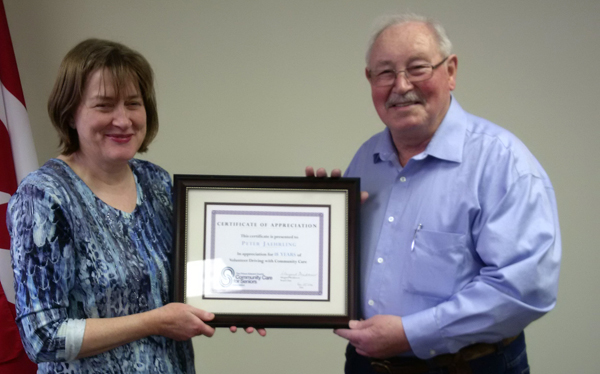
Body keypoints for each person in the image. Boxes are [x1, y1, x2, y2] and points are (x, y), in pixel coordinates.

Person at [308, 13, 561, 374]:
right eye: (384, 73)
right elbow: (341, 267)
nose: (400, 85)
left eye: (417, 68)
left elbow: (525, 289)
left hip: (468, 366)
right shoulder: (365, 161)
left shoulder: (502, 162)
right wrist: (316, 221)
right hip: (368, 364)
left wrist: (412, 334)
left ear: (451, 71)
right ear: (370, 80)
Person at [7, 38, 263, 374]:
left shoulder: (155, 182)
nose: (124, 120)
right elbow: (42, 337)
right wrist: (154, 322)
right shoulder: (43, 198)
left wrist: (250, 297)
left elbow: (192, 273)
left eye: (133, 103)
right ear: (70, 113)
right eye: (104, 105)